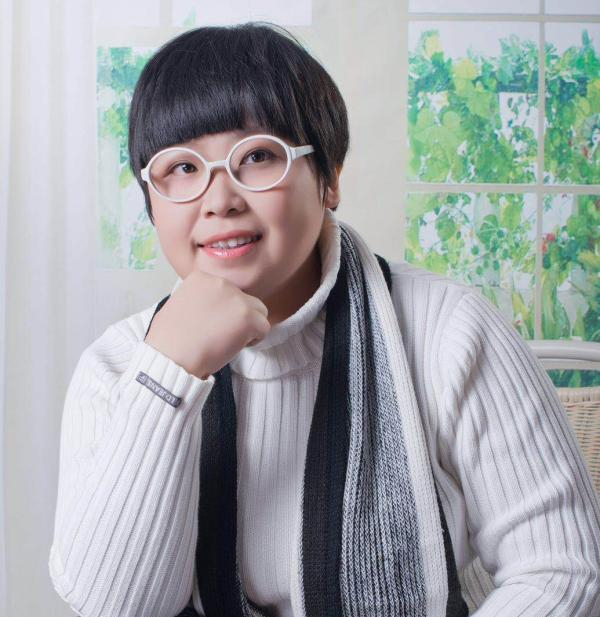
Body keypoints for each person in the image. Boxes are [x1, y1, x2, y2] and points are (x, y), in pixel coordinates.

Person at [48, 21, 600, 617]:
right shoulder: (117, 366)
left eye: (257, 156)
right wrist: (169, 373)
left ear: (330, 178)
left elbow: (562, 570)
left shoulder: (449, 331)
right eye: (181, 168)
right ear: (151, 203)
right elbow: (120, 606)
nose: (219, 199)